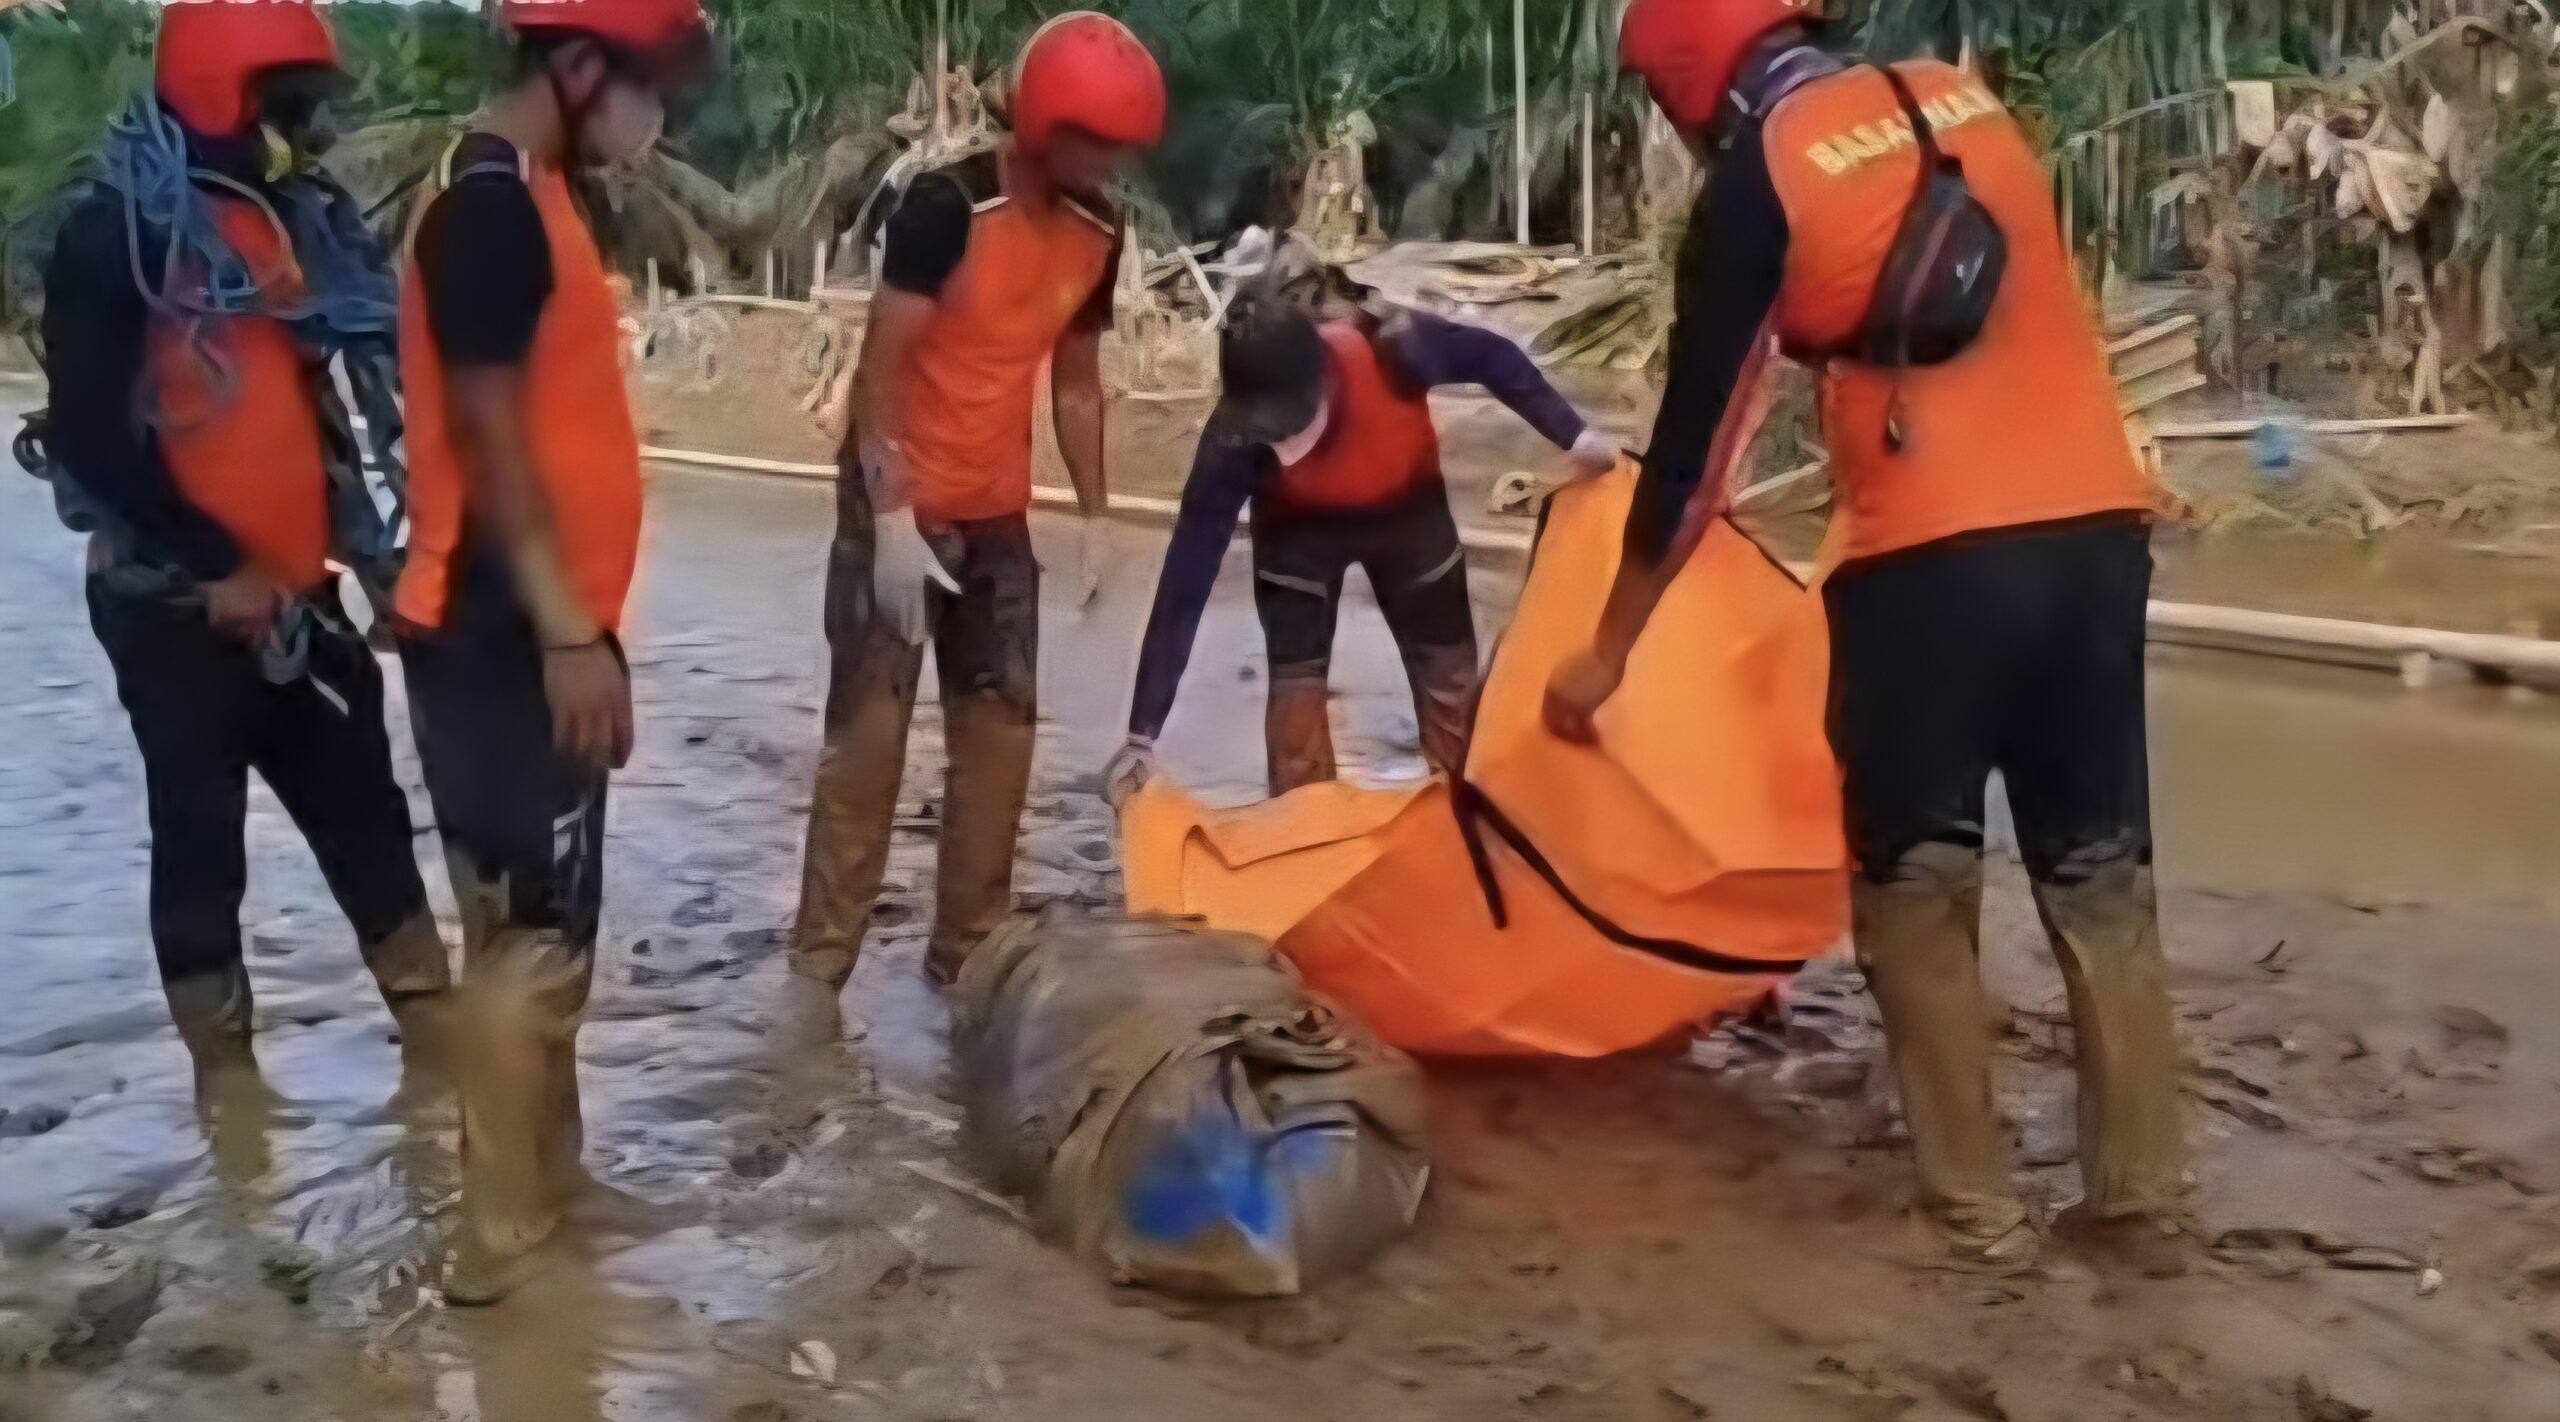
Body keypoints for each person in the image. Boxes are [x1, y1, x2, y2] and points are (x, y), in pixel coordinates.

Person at [1550, 0, 2184, 1271]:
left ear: (1688, 80)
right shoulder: (1964, 99)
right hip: (2098, 536)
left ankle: (1976, 1219)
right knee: (2100, 872)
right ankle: (2140, 1204)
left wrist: (1604, 652)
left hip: (1928, 566)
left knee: (1916, 883)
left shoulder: (1760, 177)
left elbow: (1695, 459)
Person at [35, 0, 445, 1123]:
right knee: (201, 840)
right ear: (226, 92)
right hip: (173, 604)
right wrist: (216, 562)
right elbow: (92, 436)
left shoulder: (292, 225)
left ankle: (445, 1076)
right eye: (285, 101)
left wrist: (380, 567)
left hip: (300, 599)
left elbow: (331, 410)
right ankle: (233, 1110)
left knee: (368, 819)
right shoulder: (112, 236)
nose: (302, 127)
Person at [392, 0, 708, 1303]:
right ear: (578, 66)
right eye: (643, 83)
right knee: (535, 947)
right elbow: (491, 436)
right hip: (506, 628)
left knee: (529, 930)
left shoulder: (525, 193)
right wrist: (571, 631)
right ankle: (503, 1239)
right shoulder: (490, 209)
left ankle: (547, 1185)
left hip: (512, 621)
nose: (653, 115)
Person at [791, 12, 1165, 992]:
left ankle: (965, 956)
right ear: (1043, 127)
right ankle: (819, 973)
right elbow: (880, 372)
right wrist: (889, 518)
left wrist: (1096, 516)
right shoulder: (946, 206)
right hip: (897, 495)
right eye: (1093, 144)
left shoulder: (1100, 233)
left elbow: (1075, 383)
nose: (1107, 166)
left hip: (995, 511)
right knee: (869, 738)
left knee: (1001, 729)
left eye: (1118, 149)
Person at [1106, 282, 1618, 800]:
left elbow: (1492, 355)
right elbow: (1187, 575)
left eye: (1289, 424)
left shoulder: (1392, 348)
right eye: (1267, 431)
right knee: (1295, 735)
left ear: (1322, 378)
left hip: (1409, 523)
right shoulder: (1234, 442)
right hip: (1296, 546)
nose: (1282, 445)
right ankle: (1305, 829)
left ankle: (1464, 821)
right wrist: (1142, 733)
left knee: (1456, 716)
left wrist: (1574, 435)